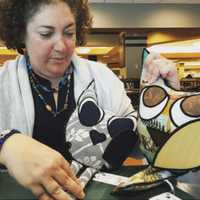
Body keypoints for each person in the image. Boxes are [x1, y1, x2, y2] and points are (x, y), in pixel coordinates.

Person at [0, 0, 180, 200]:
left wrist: (163, 106)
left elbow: (141, 145)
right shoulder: (3, 83)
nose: (61, 46)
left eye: (69, 33)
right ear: (21, 35)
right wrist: (5, 143)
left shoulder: (103, 78)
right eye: (46, 34)